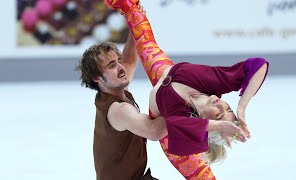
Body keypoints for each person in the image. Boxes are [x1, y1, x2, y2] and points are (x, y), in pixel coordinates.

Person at [103, 0, 269, 179]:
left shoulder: (183, 118)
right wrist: (241, 108)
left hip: (173, 139)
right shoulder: (214, 82)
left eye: (219, 114)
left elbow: (177, 124)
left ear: (204, 122)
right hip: (163, 73)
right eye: (227, 108)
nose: (222, 106)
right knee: (144, 37)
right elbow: (258, 65)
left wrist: (220, 125)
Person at [76, 16, 167, 179]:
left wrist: (136, 21)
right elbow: (154, 132)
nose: (120, 67)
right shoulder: (118, 110)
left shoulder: (112, 89)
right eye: (111, 65)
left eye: (117, 61)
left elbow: (130, 60)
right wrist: (177, 103)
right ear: (97, 78)